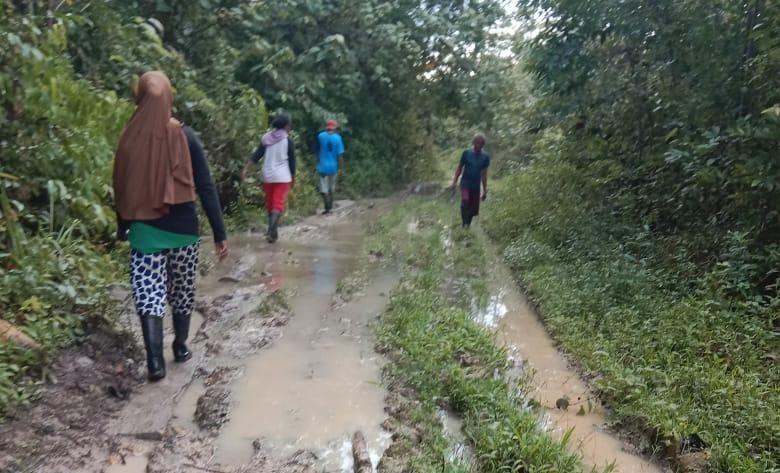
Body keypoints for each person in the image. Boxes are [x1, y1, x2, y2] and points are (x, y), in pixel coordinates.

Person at [113, 71, 229, 382]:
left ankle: (154, 362)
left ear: (140, 97)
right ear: (169, 98)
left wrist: (122, 226)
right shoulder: (186, 137)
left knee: (148, 291)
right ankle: (179, 347)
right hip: (184, 231)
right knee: (182, 290)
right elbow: (205, 186)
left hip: (144, 232)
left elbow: (122, 187)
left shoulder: (129, 138)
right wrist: (219, 232)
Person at [241, 114, 296, 242]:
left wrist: (246, 169)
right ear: (287, 126)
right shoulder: (288, 141)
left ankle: (273, 233)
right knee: (277, 204)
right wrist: (293, 177)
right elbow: (292, 162)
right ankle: (271, 230)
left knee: (271, 204)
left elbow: (256, 155)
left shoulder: (266, 138)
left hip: (267, 176)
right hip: (283, 177)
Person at [451, 133, 490, 228]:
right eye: (477, 143)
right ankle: (464, 225)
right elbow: (460, 168)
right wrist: (454, 182)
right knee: (465, 201)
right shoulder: (466, 153)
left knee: (473, 209)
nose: (478, 145)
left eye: (480, 144)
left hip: (476, 185)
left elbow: (484, 174)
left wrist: (484, 190)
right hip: (465, 183)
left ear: (483, 145)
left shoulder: (485, 157)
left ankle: (467, 225)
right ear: (473, 142)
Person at [314, 119, 345, 214]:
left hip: (323, 167)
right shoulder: (338, 138)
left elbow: (317, 152)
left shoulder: (320, 136)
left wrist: (317, 162)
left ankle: (327, 209)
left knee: (324, 189)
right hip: (333, 168)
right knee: (331, 188)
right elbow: (340, 156)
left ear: (326, 127)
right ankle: (330, 208)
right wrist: (341, 168)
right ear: (335, 128)